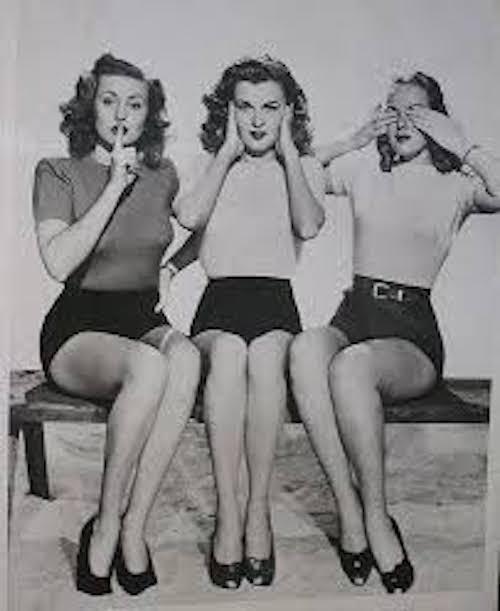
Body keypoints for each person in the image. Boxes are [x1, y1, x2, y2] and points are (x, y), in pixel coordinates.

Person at [289, 71, 500, 594]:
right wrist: (354, 139)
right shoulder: (363, 170)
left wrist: (463, 144)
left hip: (410, 334)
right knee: (306, 348)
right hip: (353, 315)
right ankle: (349, 511)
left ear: (437, 120)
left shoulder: (458, 185)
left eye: (416, 112)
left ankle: (376, 517)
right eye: (393, 110)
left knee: (351, 367)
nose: (403, 121)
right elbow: (296, 168)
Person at [33, 54, 201, 596]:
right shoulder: (57, 170)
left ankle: (134, 525)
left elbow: (206, 224)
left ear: (149, 114)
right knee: (150, 366)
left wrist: (172, 268)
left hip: (142, 317)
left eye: (135, 103)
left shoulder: (164, 174)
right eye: (109, 101)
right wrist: (112, 186)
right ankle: (104, 525)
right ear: (90, 107)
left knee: (186, 358)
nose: (122, 114)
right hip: (78, 326)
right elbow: (58, 262)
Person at [171, 56, 325, 588]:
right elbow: (190, 218)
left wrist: (289, 152)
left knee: (262, 355)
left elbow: (309, 224)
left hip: (276, 304)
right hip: (219, 305)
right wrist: (226, 154)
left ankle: (257, 510)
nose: (257, 119)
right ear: (228, 111)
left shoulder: (304, 167)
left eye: (270, 108)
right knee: (231, 351)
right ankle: (228, 512)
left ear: (288, 112)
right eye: (245, 107)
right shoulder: (205, 163)